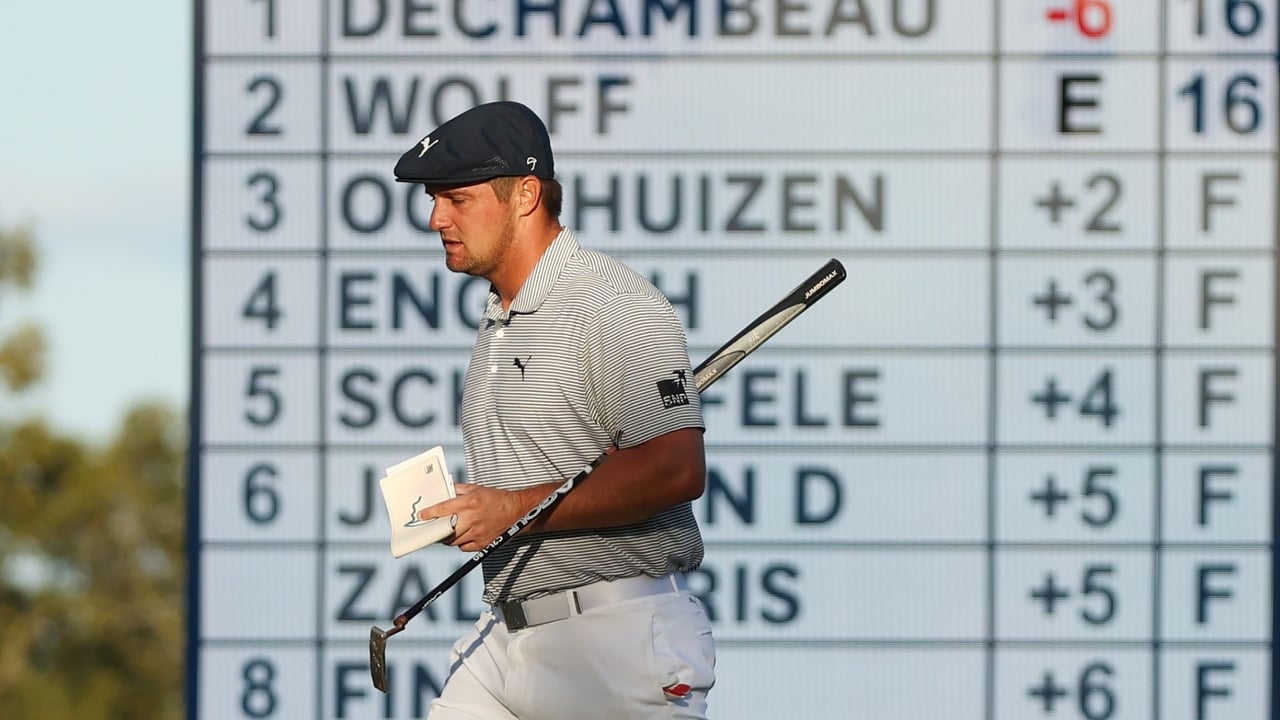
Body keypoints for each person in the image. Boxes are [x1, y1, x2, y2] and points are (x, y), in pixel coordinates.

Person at [393, 100, 716, 720]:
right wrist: (478, 511)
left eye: (456, 200)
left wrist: (512, 509)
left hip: (612, 641)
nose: (436, 219)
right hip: (506, 636)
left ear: (525, 195)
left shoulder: (610, 302)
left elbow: (677, 469)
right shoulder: (501, 314)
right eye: (435, 200)